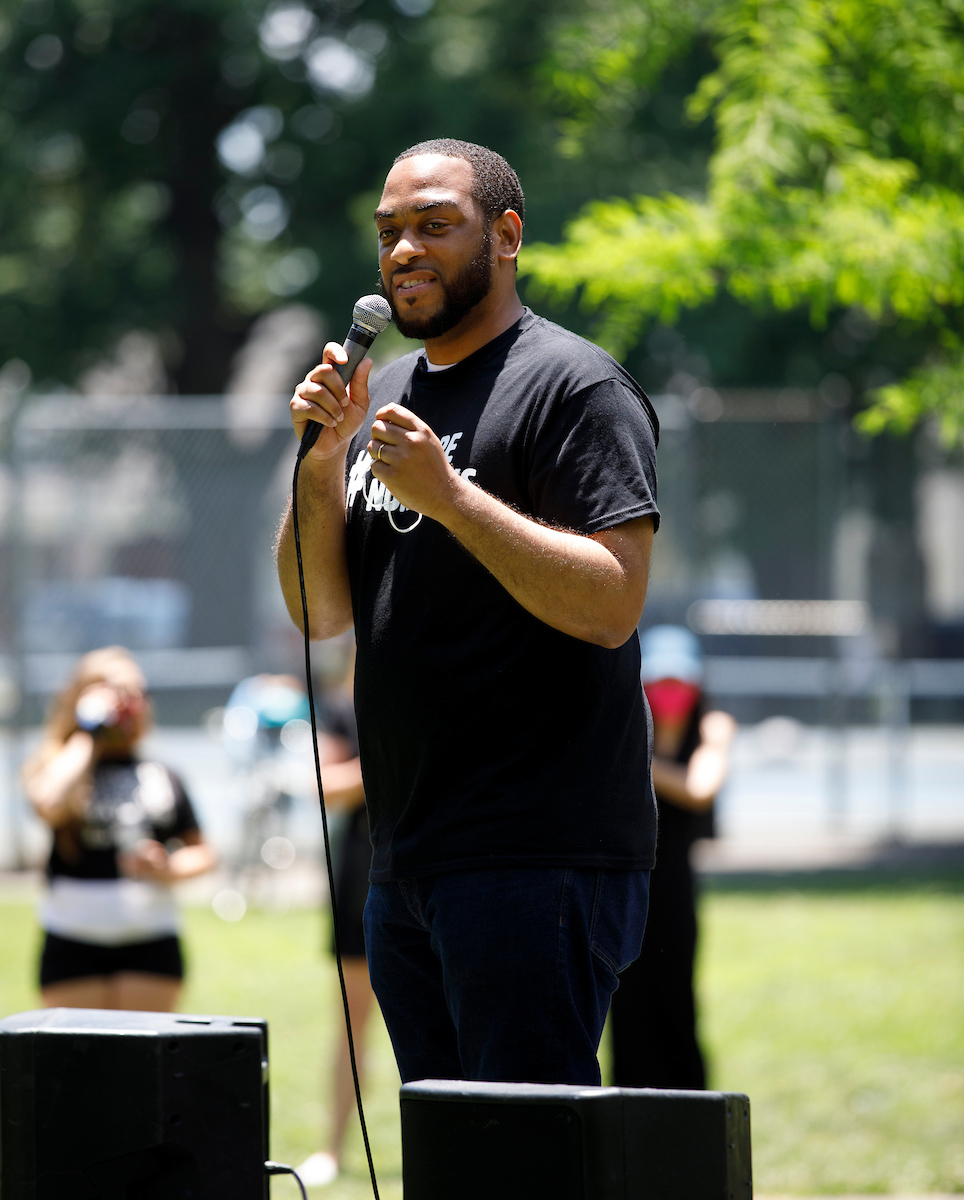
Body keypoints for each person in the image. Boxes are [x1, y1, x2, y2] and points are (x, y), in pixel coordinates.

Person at [276, 139, 660, 1086]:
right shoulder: (387, 399)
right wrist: (324, 465)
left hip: (537, 851)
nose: (404, 249)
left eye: (435, 225)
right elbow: (321, 611)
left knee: (528, 1155)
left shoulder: (576, 388)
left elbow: (613, 602)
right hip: (407, 854)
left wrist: (452, 498)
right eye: (389, 232)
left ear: (506, 235)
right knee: (452, 1155)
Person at [22, 646, 217, 1011]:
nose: (126, 701)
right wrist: (89, 730)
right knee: (77, 1064)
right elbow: (47, 803)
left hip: (150, 939)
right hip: (72, 938)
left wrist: (168, 867)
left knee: (143, 1064)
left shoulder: (161, 773)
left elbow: (203, 852)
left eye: (136, 692)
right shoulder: (59, 764)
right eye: (113, 690)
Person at [609, 625, 736, 1089]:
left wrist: (633, 758)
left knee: (676, 1001)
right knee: (624, 1008)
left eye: (678, 682)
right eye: (659, 681)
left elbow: (699, 789)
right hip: (624, 884)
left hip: (675, 888)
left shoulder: (711, 725)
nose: (668, 692)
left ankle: (690, 1111)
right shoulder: (625, 722)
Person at [297, 651, 377, 1189]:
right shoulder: (340, 709)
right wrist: (404, 750)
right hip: (363, 878)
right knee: (353, 1022)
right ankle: (333, 1147)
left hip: (444, 872)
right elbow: (328, 786)